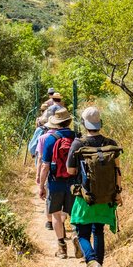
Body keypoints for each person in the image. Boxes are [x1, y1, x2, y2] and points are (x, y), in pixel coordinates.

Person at [66, 106, 123, 267]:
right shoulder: (110, 143)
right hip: (106, 197)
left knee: (82, 233)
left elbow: (70, 171)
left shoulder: (78, 144)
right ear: (100, 123)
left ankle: (92, 263)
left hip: (86, 197)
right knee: (98, 231)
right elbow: (117, 171)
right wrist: (118, 193)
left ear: (83, 123)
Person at [37, 108, 78, 258]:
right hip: (74, 182)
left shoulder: (50, 139)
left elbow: (45, 165)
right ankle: (76, 235)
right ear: (68, 121)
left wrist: (41, 186)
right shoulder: (77, 138)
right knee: (74, 213)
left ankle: (62, 248)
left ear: (56, 123)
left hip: (55, 182)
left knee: (55, 214)